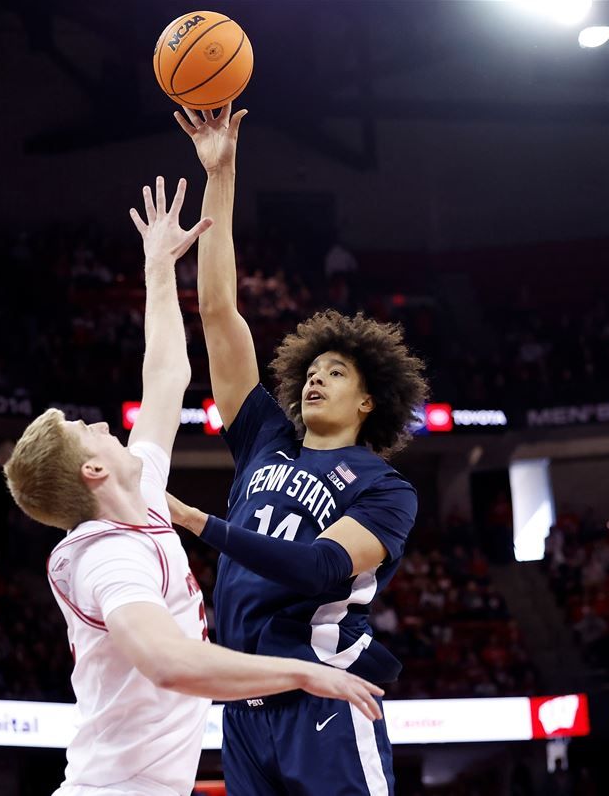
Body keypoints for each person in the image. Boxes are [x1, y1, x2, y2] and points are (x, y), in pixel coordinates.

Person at [3, 177, 385, 796]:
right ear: (93, 472)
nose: (101, 424)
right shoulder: (107, 559)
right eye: (86, 431)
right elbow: (169, 663)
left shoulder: (143, 490)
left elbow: (166, 373)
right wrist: (303, 675)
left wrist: (159, 268)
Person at [169, 104, 430, 795]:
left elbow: (319, 566)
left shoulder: (384, 488)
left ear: (370, 399)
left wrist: (203, 525)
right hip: (244, 705)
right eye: (314, 369)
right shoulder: (264, 438)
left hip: (325, 700)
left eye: (337, 372)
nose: (316, 375)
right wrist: (220, 173)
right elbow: (219, 312)